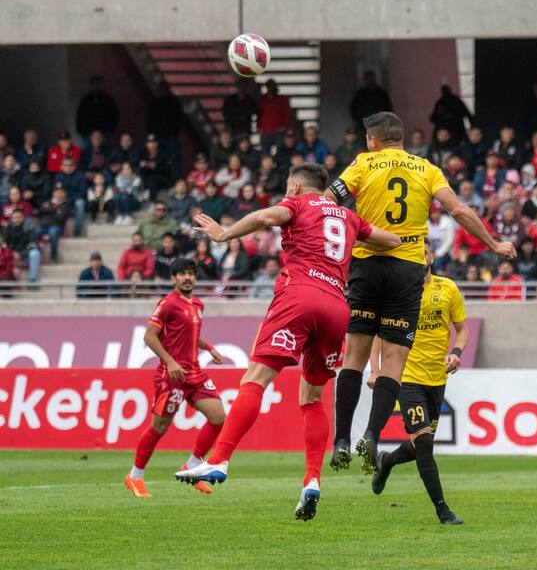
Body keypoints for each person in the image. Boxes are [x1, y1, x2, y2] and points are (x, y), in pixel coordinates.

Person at [176, 164, 401, 521]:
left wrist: (224, 235)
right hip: (336, 307)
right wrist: (361, 241)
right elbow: (392, 240)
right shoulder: (348, 217)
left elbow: (266, 216)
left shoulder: (296, 205)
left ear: (295, 187)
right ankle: (312, 481)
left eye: (286, 186)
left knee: (255, 379)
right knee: (312, 397)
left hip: (299, 296)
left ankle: (218, 460)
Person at [324, 112, 514, 474]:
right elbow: (457, 209)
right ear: (400, 138)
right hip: (407, 269)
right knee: (394, 360)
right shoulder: (426, 169)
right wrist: (493, 243)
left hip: (367, 264)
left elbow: (328, 202)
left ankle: (342, 439)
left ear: (373, 140)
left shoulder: (362, 164)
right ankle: (372, 436)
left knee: (355, 357)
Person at [369, 239, 467, 525]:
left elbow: (462, 330)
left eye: (424, 253)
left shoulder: (448, 288)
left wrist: (456, 353)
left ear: (431, 257)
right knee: (424, 441)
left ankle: (387, 461)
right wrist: (375, 370)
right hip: (406, 376)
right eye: (415, 253)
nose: (420, 257)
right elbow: (378, 335)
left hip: (437, 377)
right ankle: (443, 510)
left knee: (420, 444)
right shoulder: (397, 291)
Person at [124, 259, 226, 499]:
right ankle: (135, 476)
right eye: (182, 274)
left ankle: (193, 466)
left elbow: (190, 335)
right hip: (171, 375)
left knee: (218, 417)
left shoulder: (198, 304)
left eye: (191, 273)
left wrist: (208, 347)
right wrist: (170, 362)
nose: (187, 277)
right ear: (173, 278)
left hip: (194, 373)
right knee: (159, 427)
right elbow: (150, 337)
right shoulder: (168, 303)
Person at [146, 82, 184, 178]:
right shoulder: (154, 103)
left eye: (165, 88)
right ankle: (160, 178)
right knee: (158, 158)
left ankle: (177, 180)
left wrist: (175, 132)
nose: (163, 90)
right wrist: (152, 134)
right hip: (157, 136)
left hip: (171, 136)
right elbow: (150, 120)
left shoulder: (174, 102)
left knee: (174, 159)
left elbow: (179, 119)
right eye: (161, 88)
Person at [3, 209, 40, 283]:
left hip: (26, 254)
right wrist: (11, 253)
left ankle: (32, 281)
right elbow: (5, 244)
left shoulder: (29, 227)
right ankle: (5, 278)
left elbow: (33, 245)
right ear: (11, 219)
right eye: (14, 218)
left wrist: (20, 255)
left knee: (35, 253)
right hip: (12, 254)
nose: (17, 220)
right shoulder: (8, 228)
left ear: (23, 218)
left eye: (19, 217)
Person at [259, 79, 293, 155]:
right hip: (265, 130)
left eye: (272, 86)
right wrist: (259, 126)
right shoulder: (263, 99)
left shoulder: (282, 99)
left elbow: (287, 114)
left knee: (280, 152)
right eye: (269, 86)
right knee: (264, 153)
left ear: (275, 87)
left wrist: (286, 127)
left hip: (279, 131)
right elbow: (260, 114)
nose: (270, 88)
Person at [36, 187, 70, 262]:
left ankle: (53, 256)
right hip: (44, 226)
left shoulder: (65, 204)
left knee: (53, 232)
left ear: (64, 194)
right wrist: (55, 210)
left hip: (57, 226)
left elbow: (61, 217)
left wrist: (49, 211)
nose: (58, 194)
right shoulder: (48, 202)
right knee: (35, 232)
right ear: (53, 193)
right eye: (56, 192)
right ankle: (38, 254)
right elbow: (41, 211)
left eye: (60, 192)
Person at [139, 134, 172, 202]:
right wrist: (142, 165)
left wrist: (156, 167)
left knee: (152, 178)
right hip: (149, 180)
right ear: (146, 145)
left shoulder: (163, 154)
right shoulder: (145, 155)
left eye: (153, 143)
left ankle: (152, 200)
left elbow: (167, 170)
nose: (152, 145)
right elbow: (143, 168)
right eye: (149, 143)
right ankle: (145, 192)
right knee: (141, 175)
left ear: (157, 144)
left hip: (163, 179)